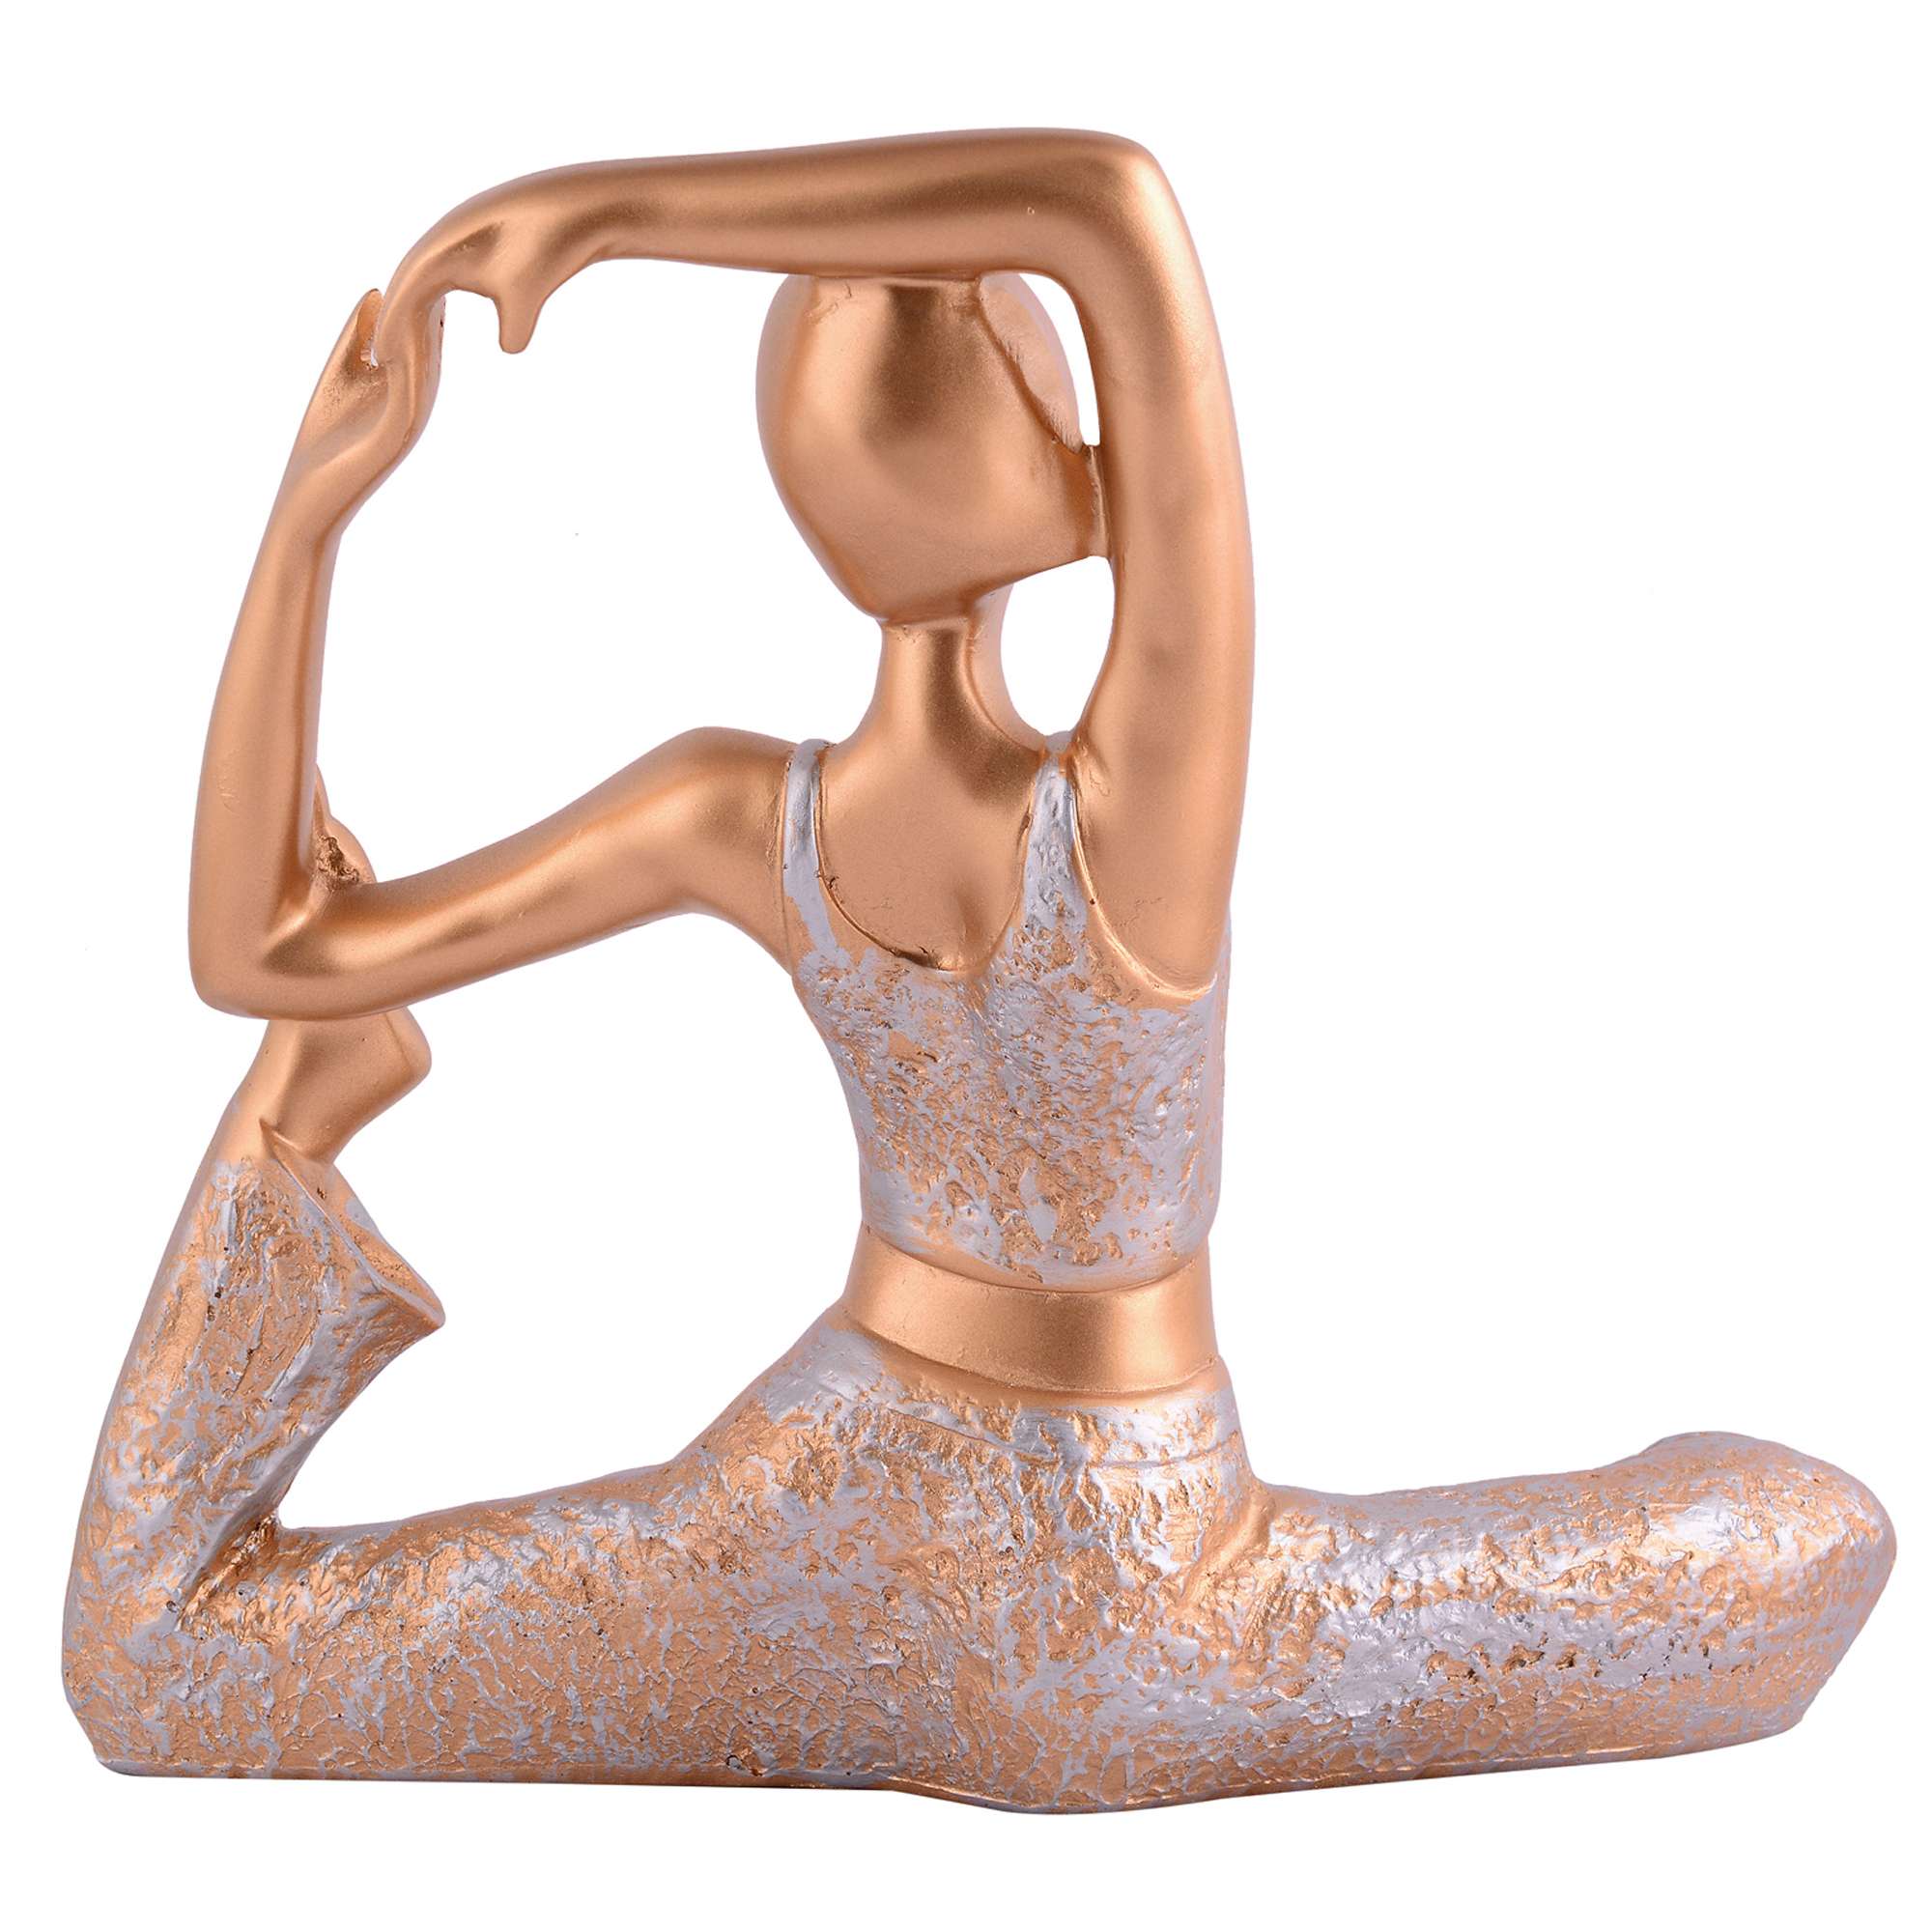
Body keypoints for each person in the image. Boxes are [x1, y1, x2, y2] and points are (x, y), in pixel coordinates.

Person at [64, 133, 1892, 1806]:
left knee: (166, 1671)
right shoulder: (1132, 827)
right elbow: (1109, 206)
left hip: (823, 1529)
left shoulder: (736, 814)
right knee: (1790, 1546)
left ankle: (300, 1138)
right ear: (1068, 486)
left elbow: (266, 947)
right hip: (1137, 1580)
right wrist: (611, 221)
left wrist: (315, 519)